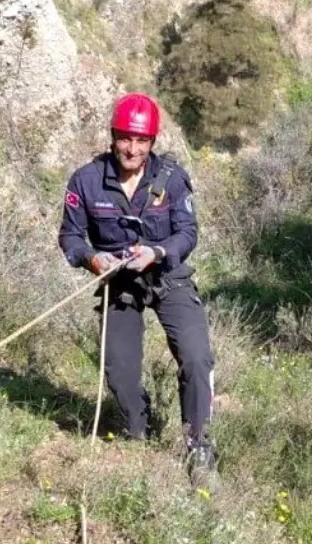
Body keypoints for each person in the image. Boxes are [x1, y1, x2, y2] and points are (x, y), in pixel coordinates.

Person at [58, 93, 217, 477]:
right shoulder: (87, 181)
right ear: (113, 137)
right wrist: (94, 259)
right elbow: (71, 237)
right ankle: (138, 427)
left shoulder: (172, 180)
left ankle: (199, 447)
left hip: (167, 275)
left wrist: (158, 252)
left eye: (141, 141)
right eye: (125, 138)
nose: (132, 149)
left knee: (197, 357)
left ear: (152, 143)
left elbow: (187, 232)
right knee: (119, 371)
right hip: (120, 280)